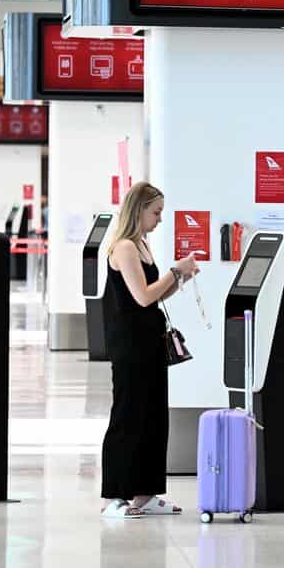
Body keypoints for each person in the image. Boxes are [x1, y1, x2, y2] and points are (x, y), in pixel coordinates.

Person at [99, 182, 200, 519]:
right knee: (128, 415)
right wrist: (175, 271)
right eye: (155, 212)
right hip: (129, 343)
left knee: (153, 417)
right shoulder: (124, 248)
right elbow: (142, 296)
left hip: (150, 338)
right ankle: (115, 495)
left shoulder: (143, 245)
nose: (159, 219)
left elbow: (154, 297)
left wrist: (179, 279)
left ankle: (146, 492)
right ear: (138, 209)